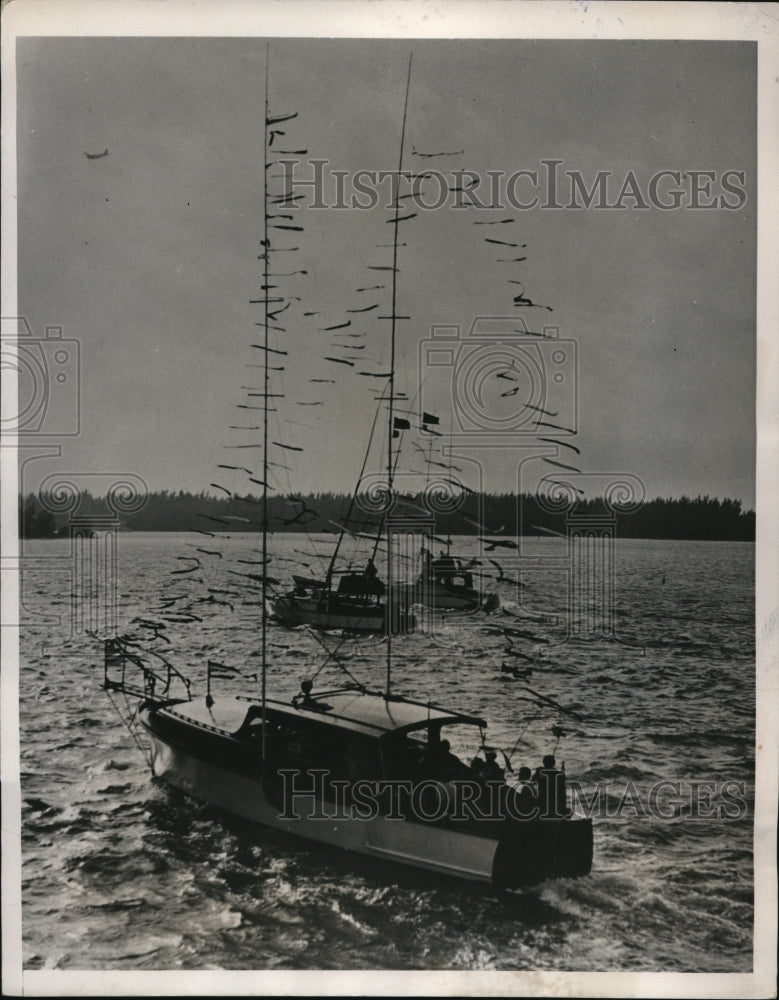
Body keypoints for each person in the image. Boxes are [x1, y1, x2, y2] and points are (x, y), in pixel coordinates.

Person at [532, 754, 570, 818]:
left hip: (542, 799)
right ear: (553, 763)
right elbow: (562, 783)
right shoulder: (557, 773)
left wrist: (537, 771)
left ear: (544, 763)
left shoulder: (540, 772)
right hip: (554, 799)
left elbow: (533, 780)